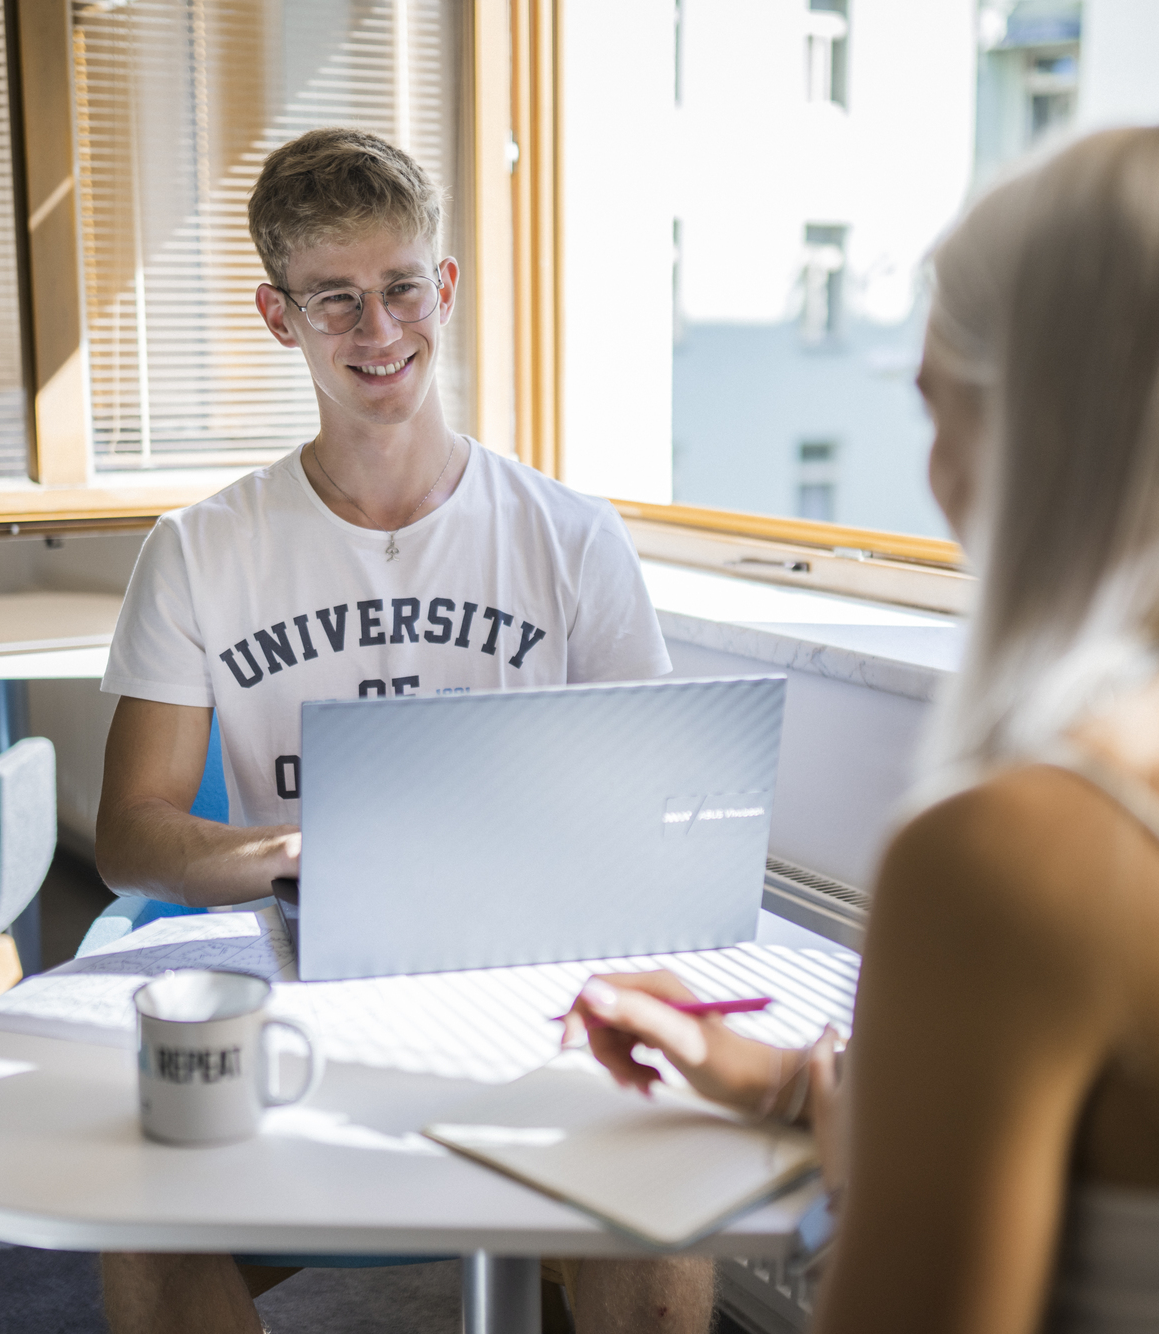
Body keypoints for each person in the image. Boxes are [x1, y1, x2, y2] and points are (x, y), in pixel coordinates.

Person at [568, 119, 1159, 1333]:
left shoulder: (1016, 849)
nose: (932, 476)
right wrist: (785, 1083)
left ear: (1047, 435)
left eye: (936, 411)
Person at [93, 127, 709, 1334]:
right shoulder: (201, 549)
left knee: (659, 1215)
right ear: (280, 318)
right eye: (334, 301)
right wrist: (287, 852)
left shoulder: (572, 538)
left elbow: (658, 803)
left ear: (446, 288)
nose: (377, 332)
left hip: (530, 979)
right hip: (302, 971)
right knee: (143, 1227)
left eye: (398, 288)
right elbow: (130, 832)